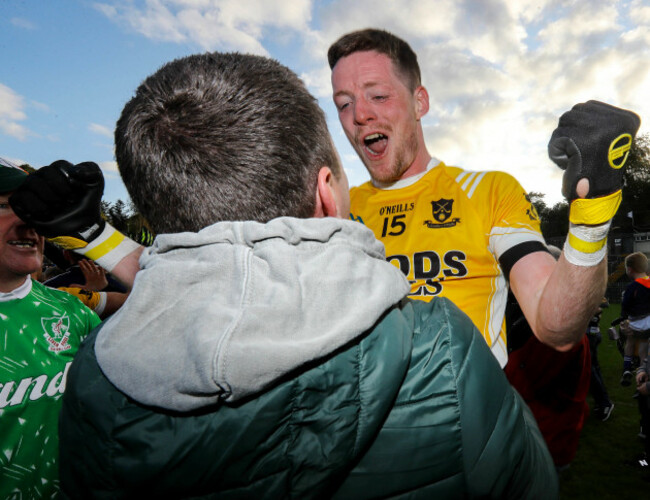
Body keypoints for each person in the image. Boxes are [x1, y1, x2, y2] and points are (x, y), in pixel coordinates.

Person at [11, 53, 557, 498]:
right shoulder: (438, 348)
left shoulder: (96, 375)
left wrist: (92, 233)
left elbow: (207, 276)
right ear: (326, 192)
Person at [328, 28, 641, 366]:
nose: (359, 115)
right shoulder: (336, 211)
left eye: (378, 96)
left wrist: (593, 211)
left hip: (461, 415)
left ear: (419, 102)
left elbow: (557, 327)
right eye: (344, 103)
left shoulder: (488, 192)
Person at [0, 156, 100, 498]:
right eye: (3, 206)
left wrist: (96, 237)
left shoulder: (71, 310)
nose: (27, 219)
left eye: (31, 205)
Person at [503, 245, 592, 471]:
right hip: (545, 434)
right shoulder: (549, 319)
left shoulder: (555, 328)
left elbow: (516, 384)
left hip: (544, 439)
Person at [620, 252, 650, 386]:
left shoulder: (632, 287)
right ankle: (643, 376)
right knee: (644, 348)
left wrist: (623, 319)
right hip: (649, 322)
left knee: (630, 341)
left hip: (636, 323)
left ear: (630, 269)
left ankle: (627, 368)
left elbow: (626, 305)